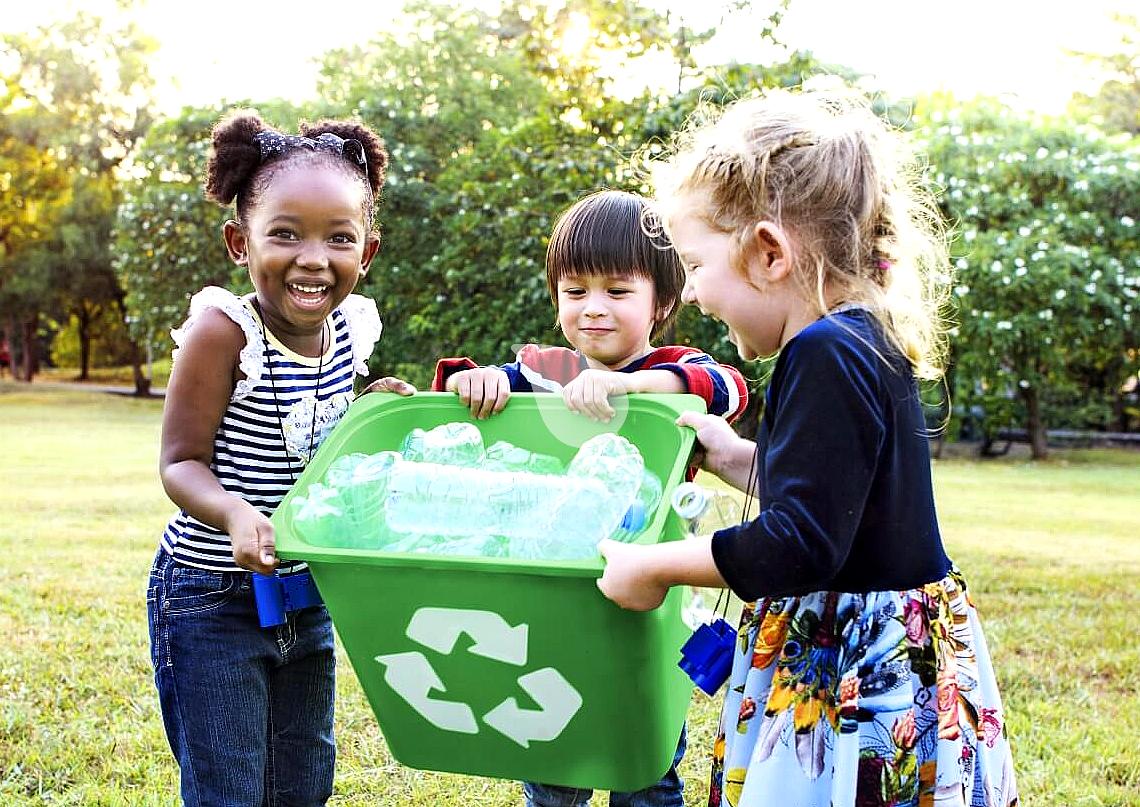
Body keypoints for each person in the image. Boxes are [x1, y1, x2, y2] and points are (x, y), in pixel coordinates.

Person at [595, 90, 1019, 806]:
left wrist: (656, 566)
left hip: (854, 669)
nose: (694, 295)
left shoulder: (821, 352)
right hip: (897, 648)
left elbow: (800, 543)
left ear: (769, 252)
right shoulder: (863, 334)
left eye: (696, 267)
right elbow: (835, 501)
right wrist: (732, 454)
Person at [434, 189, 750, 807]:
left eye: (617, 291)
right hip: (552, 589)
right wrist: (480, 380)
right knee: (551, 745)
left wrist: (630, 383)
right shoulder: (545, 371)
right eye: (575, 292)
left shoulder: (674, 365)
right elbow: (486, 388)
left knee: (645, 753)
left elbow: (722, 388)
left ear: (661, 301)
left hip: (647, 593)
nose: (594, 309)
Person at [150, 109, 404, 806]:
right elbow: (180, 461)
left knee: (302, 780)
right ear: (241, 241)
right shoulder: (223, 332)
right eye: (285, 234)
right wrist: (233, 513)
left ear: (367, 251)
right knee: (229, 786)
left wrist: (373, 410)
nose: (313, 257)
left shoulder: (351, 328)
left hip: (306, 594)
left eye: (339, 238)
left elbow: (317, 441)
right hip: (211, 597)